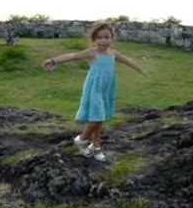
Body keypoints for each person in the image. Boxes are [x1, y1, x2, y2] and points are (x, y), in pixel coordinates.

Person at [42, 22, 147, 162]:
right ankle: (82, 139)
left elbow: (128, 60)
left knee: (99, 120)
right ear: (94, 39)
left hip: (106, 89)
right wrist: (53, 60)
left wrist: (140, 70)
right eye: (99, 37)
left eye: (106, 37)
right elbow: (72, 56)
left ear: (112, 38)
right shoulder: (92, 53)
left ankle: (96, 148)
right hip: (94, 89)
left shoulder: (113, 54)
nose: (103, 40)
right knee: (98, 117)